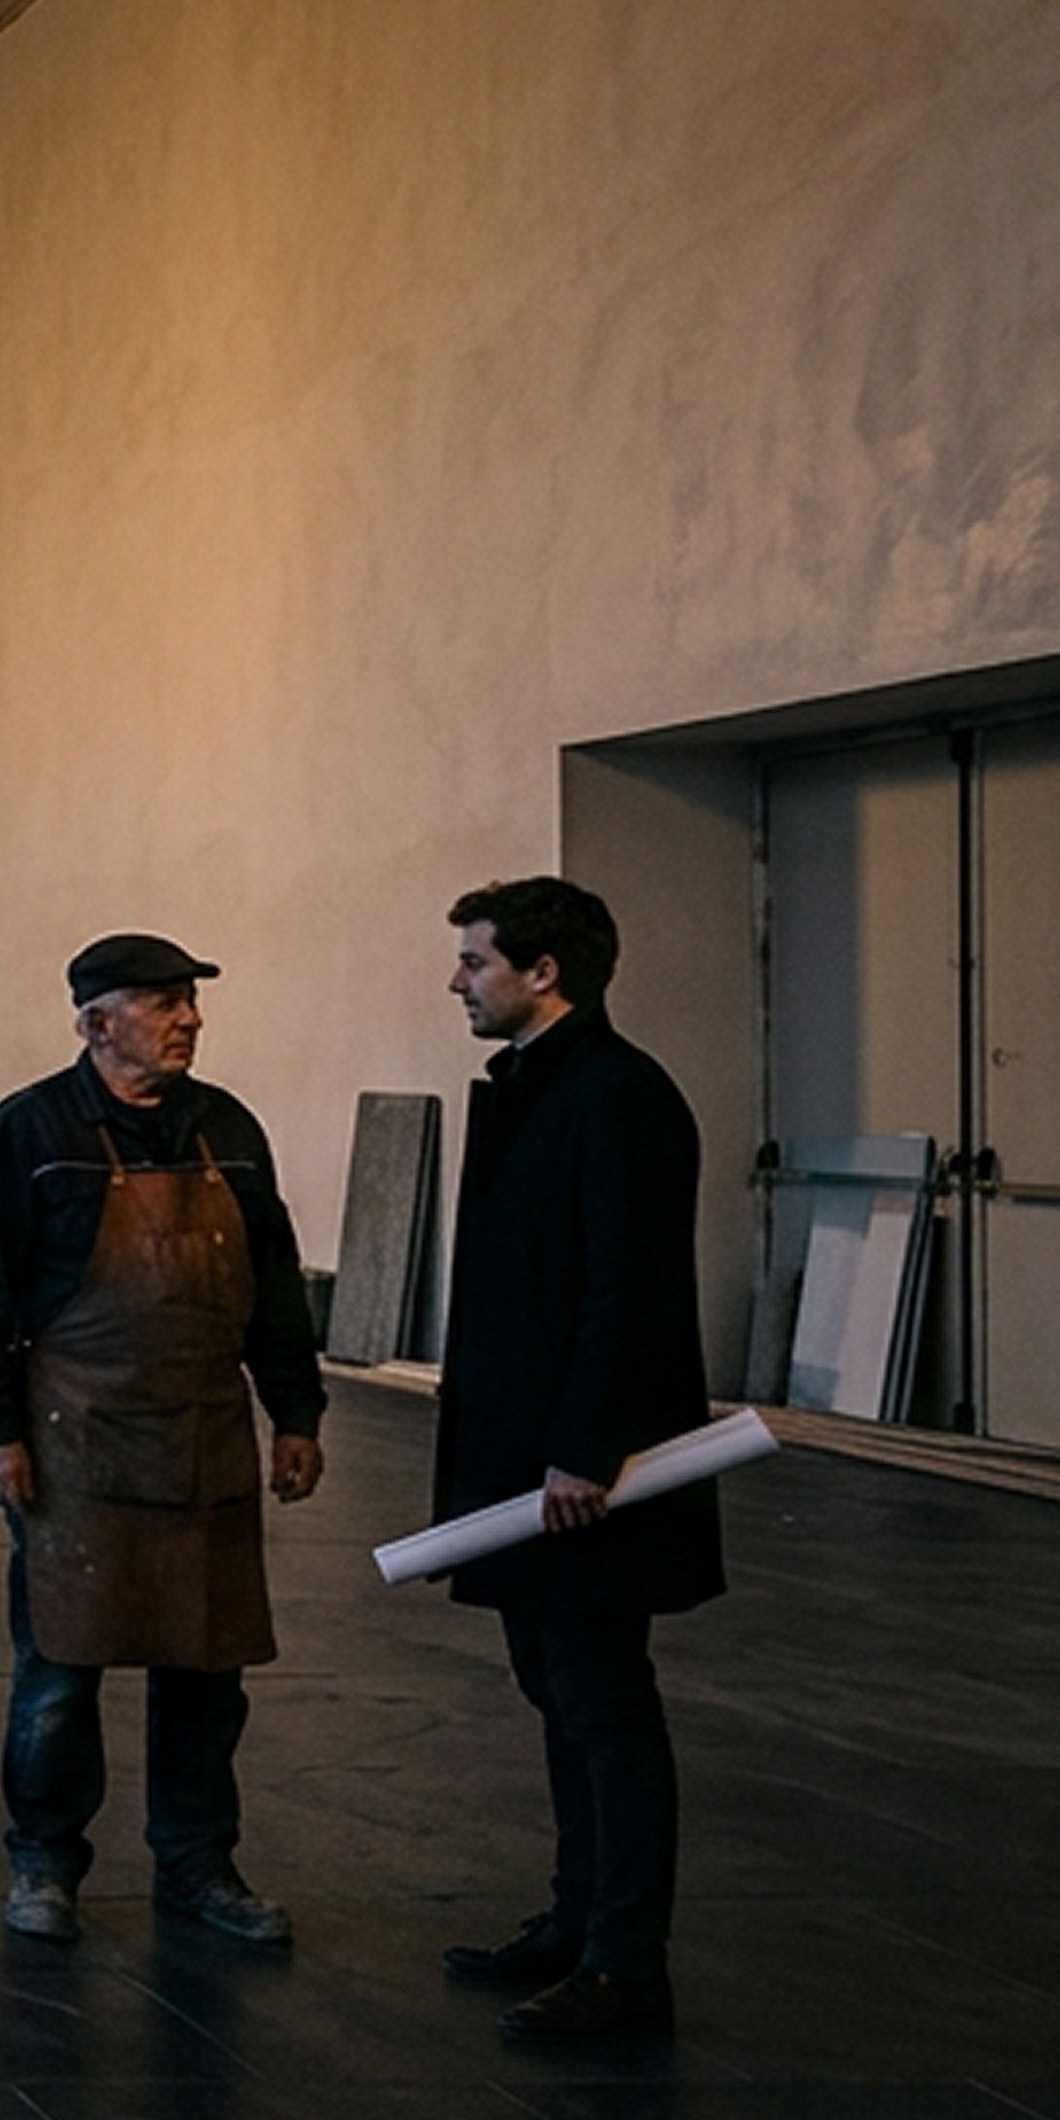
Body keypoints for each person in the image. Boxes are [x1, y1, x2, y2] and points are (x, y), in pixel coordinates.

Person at [0, 931, 328, 1947]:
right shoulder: (28, 1131)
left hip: (205, 1437)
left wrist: (295, 1412)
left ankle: (198, 1867)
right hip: (74, 1444)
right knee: (59, 1675)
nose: (187, 1020)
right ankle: (44, 1866)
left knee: (206, 1676)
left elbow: (275, 1287)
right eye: (162, 1003)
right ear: (95, 1021)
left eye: (188, 1003)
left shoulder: (227, 1130)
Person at [432, 874, 723, 2045]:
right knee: (554, 1696)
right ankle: (572, 1924)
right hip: (529, 1466)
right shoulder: (537, 1087)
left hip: (578, 1475)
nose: (454, 979)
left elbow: (630, 1289)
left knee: (603, 1708)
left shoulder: (617, 1096)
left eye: (472, 960)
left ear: (540, 973)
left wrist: (582, 1451)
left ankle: (623, 1965)